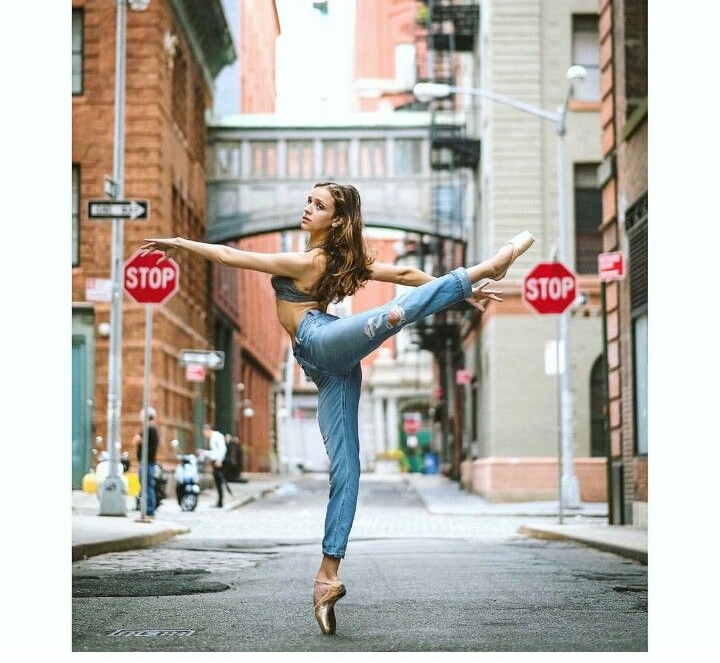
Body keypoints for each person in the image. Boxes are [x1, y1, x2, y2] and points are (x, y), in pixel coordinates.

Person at [140, 181, 534, 635]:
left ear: (338, 219)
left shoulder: (309, 261)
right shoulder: (345, 261)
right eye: (309, 200)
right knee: (346, 469)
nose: (307, 208)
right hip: (328, 367)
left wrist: (179, 243)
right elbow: (406, 275)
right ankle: (326, 578)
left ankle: (491, 265)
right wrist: (460, 294)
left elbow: (231, 256)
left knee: (391, 316)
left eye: (319, 205)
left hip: (320, 339)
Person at [132, 408, 159, 517]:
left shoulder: (148, 429)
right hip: (149, 462)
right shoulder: (153, 429)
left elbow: (135, 440)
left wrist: (141, 441)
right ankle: (149, 509)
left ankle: (149, 510)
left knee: (146, 486)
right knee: (148, 486)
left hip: (146, 463)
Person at [198, 424, 227, 508]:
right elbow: (214, 452)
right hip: (215, 461)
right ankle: (219, 501)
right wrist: (204, 452)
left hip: (218, 462)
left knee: (218, 481)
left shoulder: (217, 436)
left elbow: (222, 449)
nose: (205, 435)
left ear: (208, 430)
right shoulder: (213, 437)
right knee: (217, 481)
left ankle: (220, 501)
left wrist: (219, 460)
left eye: (205, 433)